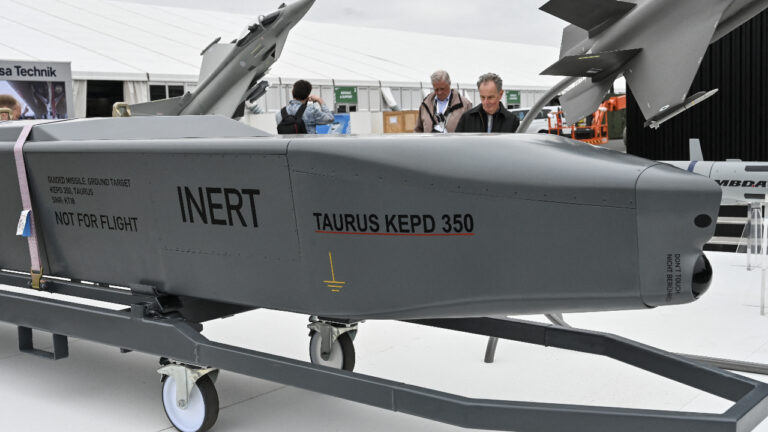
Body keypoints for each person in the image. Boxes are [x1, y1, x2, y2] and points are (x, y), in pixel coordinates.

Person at [455, 73, 520, 133]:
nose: (486, 102)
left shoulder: (512, 121)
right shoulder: (467, 118)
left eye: (490, 97)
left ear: (500, 94)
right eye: (482, 97)